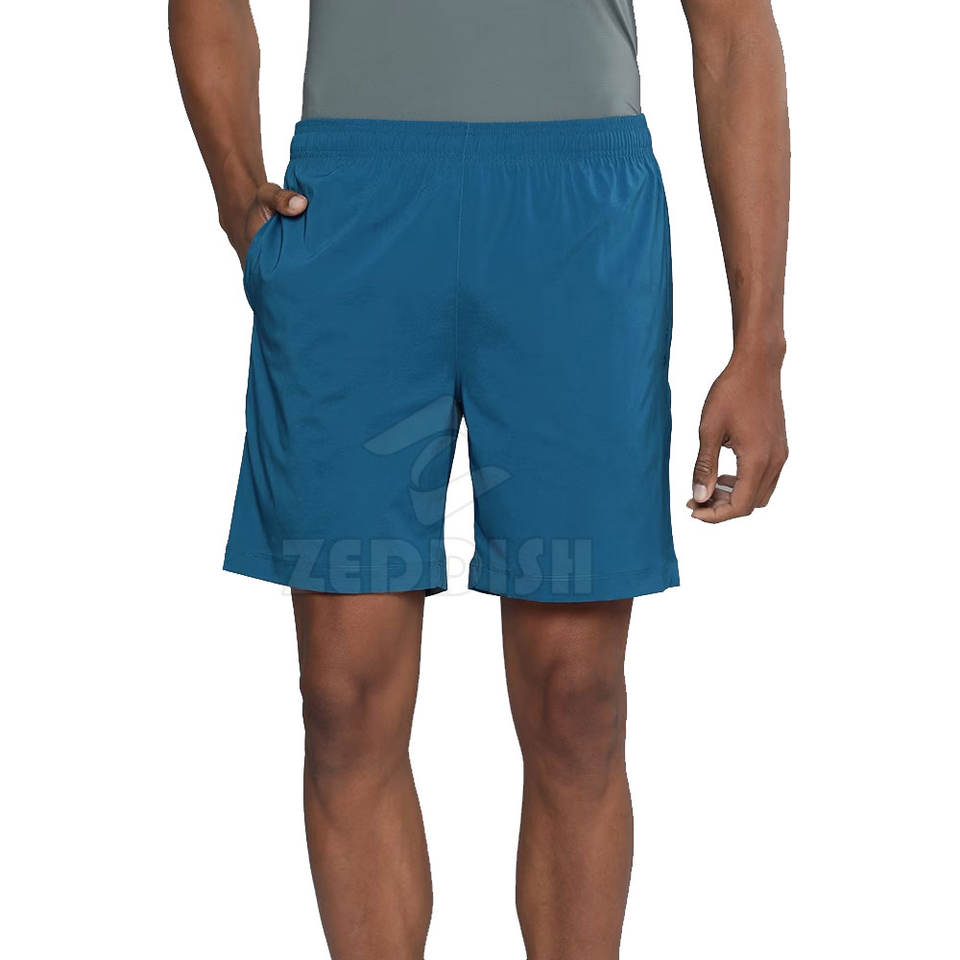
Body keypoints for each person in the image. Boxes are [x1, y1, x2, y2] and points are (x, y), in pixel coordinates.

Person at [169, 0, 789, 955]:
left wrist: (759, 343)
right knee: (343, 698)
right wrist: (233, 190)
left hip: (577, 218)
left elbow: (735, 30)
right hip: (355, 211)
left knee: (577, 700)